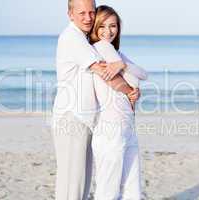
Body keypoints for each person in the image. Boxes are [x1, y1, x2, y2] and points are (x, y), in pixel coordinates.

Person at [51, 0, 140, 199]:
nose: (88, 18)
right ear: (70, 14)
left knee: (80, 183)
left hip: (86, 120)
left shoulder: (83, 39)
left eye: (91, 12)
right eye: (82, 13)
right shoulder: (72, 37)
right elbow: (102, 71)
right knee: (71, 185)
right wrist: (129, 91)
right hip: (72, 118)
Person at [89, 5, 148, 200]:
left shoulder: (117, 54)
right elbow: (129, 81)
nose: (108, 31)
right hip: (111, 126)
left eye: (113, 26)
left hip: (126, 124)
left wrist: (123, 65)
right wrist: (132, 89)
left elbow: (143, 74)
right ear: (95, 28)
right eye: (102, 26)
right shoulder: (100, 47)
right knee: (109, 190)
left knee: (131, 186)